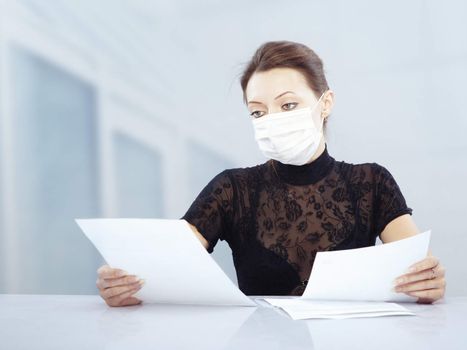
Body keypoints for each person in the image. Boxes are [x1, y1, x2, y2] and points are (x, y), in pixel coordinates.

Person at [96, 41, 446, 307]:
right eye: (258, 112)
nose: (272, 121)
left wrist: (429, 284)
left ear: (324, 104)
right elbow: (162, 268)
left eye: (288, 105)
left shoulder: (372, 182)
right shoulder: (233, 189)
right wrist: (127, 284)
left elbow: (417, 274)